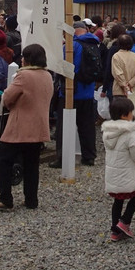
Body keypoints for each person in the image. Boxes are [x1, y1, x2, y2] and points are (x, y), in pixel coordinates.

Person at [0, 44, 52, 211]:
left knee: (2, 159)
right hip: (39, 125)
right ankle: (31, 199)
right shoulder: (47, 75)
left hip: (21, 125)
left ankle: (5, 198)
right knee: (31, 163)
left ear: (27, 58)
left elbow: (7, 97)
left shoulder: (23, 76)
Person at [52, 21, 99, 167]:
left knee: (64, 126)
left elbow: (62, 68)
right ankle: (89, 156)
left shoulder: (72, 46)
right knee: (87, 126)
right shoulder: (94, 44)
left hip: (71, 92)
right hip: (88, 92)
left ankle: (62, 158)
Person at [102, 96, 135, 241]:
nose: (132, 115)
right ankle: (125, 222)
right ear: (124, 115)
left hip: (113, 176)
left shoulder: (107, 133)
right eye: (131, 112)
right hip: (127, 175)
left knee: (118, 202)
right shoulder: (130, 134)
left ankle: (115, 230)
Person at [110, 33, 135, 106]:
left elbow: (118, 73)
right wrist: (131, 83)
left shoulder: (116, 56)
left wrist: (125, 86)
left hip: (119, 91)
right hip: (132, 89)